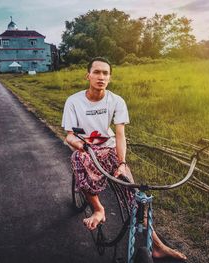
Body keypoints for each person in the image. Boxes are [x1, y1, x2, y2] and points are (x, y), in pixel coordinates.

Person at [62, 57, 187, 261]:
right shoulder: (74, 101)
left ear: (110, 77)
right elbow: (69, 135)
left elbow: (120, 135)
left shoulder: (116, 100)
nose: (101, 77)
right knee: (77, 158)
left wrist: (121, 163)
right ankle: (98, 209)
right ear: (88, 75)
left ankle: (158, 246)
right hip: (87, 150)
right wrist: (81, 145)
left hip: (110, 149)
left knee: (135, 195)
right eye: (97, 72)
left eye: (105, 73)